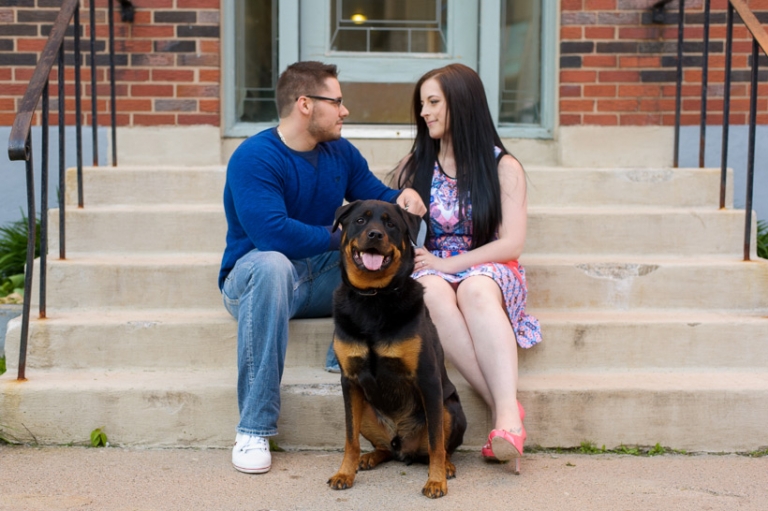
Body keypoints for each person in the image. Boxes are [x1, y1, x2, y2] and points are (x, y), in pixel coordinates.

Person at [219, 61, 426, 475]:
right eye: (337, 101)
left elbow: (377, 202)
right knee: (277, 264)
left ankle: (350, 350)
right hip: (262, 282)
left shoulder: (340, 153)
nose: (345, 111)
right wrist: (346, 238)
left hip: (322, 279)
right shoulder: (255, 157)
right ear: (305, 105)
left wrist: (405, 198)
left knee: (387, 254)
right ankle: (253, 428)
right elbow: (272, 235)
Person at [395, 63, 542, 473]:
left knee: (475, 288)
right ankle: (509, 417)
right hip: (434, 267)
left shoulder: (502, 166)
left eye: (434, 102)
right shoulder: (416, 165)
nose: (424, 112)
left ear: (461, 103)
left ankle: (505, 420)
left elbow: (511, 242)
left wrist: (450, 263)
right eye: (422, 104)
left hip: (490, 264)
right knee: (433, 293)